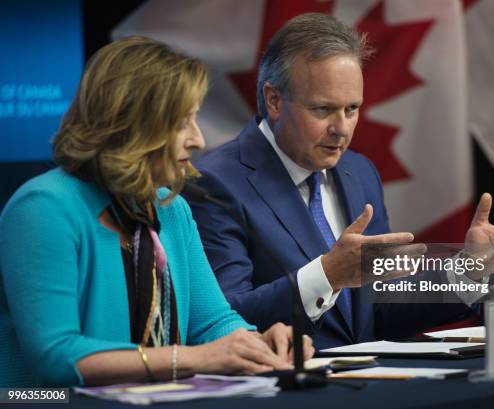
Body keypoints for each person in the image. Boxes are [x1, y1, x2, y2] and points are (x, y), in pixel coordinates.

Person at [189, 14, 494, 349]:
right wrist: (327, 275)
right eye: (323, 110)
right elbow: (223, 322)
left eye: (351, 109)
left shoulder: (359, 173)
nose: (342, 129)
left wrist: (469, 270)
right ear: (274, 100)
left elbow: (378, 307)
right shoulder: (216, 183)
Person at [0, 36, 313, 388]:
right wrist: (192, 358)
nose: (198, 140)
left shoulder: (171, 207)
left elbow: (211, 323)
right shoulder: (43, 208)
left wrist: (258, 344)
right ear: (131, 124)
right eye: (182, 123)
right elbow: (56, 358)